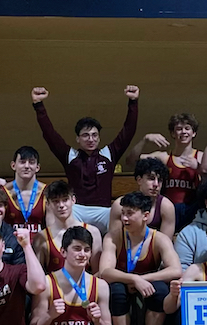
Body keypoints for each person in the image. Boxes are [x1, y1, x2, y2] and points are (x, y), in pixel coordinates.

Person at [31, 85, 140, 234]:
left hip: (103, 211)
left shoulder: (108, 154)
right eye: (85, 135)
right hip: (77, 210)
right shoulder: (70, 156)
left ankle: (114, 248)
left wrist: (133, 102)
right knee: (64, 213)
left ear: (99, 138)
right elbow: (49, 134)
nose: (91, 139)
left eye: (94, 135)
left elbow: (128, 131)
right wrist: (38, 105)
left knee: (118, 211)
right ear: (78, 139)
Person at [100, 192, 182, 325]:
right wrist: (134, 279)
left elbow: (176, 270)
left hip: (147, 284)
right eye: (123, 213)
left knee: (161, 291)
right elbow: (105, 271)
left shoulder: (159, 238)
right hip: (122, 283)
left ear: (145, 215)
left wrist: (142, 279)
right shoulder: (113, 237)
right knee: (115, 290)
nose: (124, 218)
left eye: (130, 213)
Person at [126, 113, 202, 231]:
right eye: (179, 129)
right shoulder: (164, 157)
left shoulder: (200, 157)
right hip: (167, 210)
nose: (183, 132)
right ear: (173, 133)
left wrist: (199, 167)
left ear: (194, 133)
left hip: (191, 211)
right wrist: (145, 139)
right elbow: (131, 161)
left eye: (187, 128)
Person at [33, 180, 102, 273]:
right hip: (55, 282)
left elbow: (97, 274)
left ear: (73, 200)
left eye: (65, 200)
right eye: (56, 201)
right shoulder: (41, 238)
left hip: (86, 282)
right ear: (48, 204)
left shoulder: (93, 232)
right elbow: (38, 276)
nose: (61, 205)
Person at [109, 158, 176, 240]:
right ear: (139, 180)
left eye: (160, 180)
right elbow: (114, 240)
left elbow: (165, 243)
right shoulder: (120, 205)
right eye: (151, 178)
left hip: (153, 247)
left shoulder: (166, 207)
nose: (156, 184)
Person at [0, 146, 47, 238]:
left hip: (39, 245)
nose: (27, 166)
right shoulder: (2, 192)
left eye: (31, 162)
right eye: (22, 162)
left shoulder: (47, 192)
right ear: (13, 165)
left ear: (37, 167)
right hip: (10, 244)